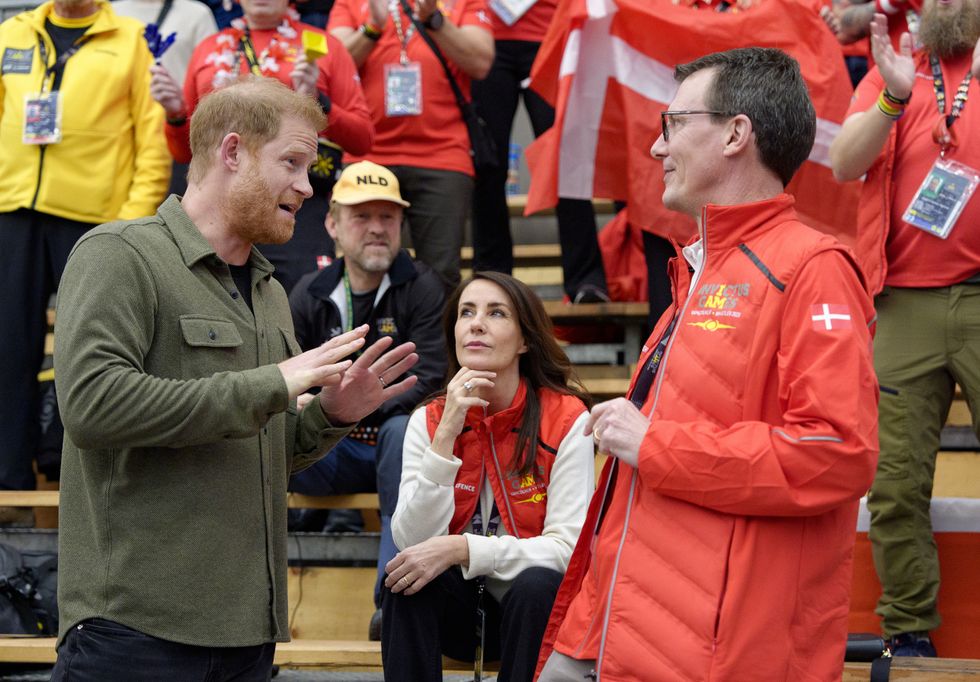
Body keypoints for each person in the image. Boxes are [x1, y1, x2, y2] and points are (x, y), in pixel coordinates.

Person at [50, 77, 418, 681]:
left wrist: (332, 415)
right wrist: (274, 381)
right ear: (232, 151)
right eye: (293, 163)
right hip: (135, 633)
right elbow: (92, 408)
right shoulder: (119, 254)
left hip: (248, 637)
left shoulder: (269, 292)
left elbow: (266, 443)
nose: (307, 186)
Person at [537, 48, 879, 681]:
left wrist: (657, 444)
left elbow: (836, 452)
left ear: (734, 134)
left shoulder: (813, 268)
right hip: (609, 631)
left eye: (671, 126)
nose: (655, 150)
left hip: (713, 652)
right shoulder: (696, 271)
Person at [828, 0, 980, 657]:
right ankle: (909, 631)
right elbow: (841, 162)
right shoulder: (898, 68)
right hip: (903, 304)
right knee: (892, 485)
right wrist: (890, 98)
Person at [0, 0, 170, 522]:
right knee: (7, 352)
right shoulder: (13, 32)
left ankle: (85, 487)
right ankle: (7, 484)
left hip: (94, 219)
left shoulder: (133, 38)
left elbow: (153, 139)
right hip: (11, 211)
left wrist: (129, 225)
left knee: (91, 355)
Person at [381, 272, 595, 682]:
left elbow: (569, 552)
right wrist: (446, 434)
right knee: (404, 577)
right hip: (459, 613)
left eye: (496, 313)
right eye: (466, 312)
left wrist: (465, 548)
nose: (476, 323)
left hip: (535, 614)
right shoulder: (427, 420)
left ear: (525, 340)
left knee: (536, 585)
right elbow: (411, 541)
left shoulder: (566, 420)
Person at [287, 160, 447, 638]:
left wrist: (352, 404)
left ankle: (390, 603)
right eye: (362, 217)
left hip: (393, 449)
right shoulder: (309, 293)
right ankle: (253, 600)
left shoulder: (423, 287)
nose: (377, 228)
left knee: (404, 432)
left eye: (388, 217)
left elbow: (432, 378)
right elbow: (289, 376)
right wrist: (301, 405)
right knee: (259, 433)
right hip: (326, 451)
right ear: (332, 225)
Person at [150, 0, 374, 293]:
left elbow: (363, 139)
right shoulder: (210, 47)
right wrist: (176, 114)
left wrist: (319, 100)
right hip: (219, 210)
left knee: (295, 310)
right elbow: (185, 153)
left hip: (296, 210)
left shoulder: (322, 45)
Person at [328, 0, 494, 289]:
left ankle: (432, 336)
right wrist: (372, 28)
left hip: (443, 155)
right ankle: (365, 336)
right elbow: (332, 66)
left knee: (441, 273)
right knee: (362, 267)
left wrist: (434, 19)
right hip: (367, 154)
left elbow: (480, 62)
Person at [469, 0, 609, 304]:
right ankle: (492, 280)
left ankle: (586, 279)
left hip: (553, 33)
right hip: (483, 33)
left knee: (566, 160)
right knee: (487, 164)